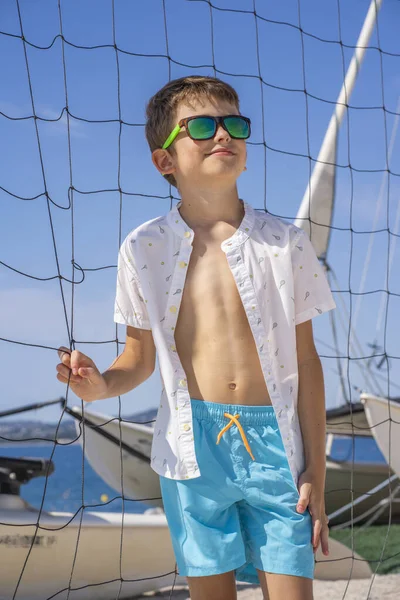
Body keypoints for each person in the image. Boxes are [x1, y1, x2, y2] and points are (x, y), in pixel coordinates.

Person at [56, 75, 336, 600]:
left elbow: (308, 362)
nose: (222, 135)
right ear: (165, 161)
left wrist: (316, 472)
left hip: (276, 444)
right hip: (190, 449)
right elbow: (137, 361)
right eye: (202, 126)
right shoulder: (142, 247)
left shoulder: (285, 244)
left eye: (234, 124)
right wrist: (99, 387)